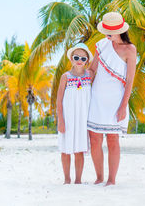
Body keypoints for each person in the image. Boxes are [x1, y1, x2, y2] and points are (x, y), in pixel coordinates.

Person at [87, 12, 137, 186]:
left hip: (116, 100)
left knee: (112, 139)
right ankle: (99, 177)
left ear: (120, 31)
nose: (107, 35)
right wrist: (79, 78)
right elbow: (92, 70)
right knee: (94, 138)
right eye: (106, 31)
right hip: (96, 97)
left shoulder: (130, 50)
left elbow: (130, 80)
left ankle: (111, 179)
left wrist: (123, 106)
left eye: (111, 32)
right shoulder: (101, 45)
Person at [57, 43, 93, 184]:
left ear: (87, 61)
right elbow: (59, 101)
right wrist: (61, 120)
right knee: (66, 150)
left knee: (80, 149)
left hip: (83, 120)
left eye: (83, 59)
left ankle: (78, 180)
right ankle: (67, 179)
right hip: (67, 119)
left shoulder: (90, 75)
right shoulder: (65, 77)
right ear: (71, 58)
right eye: (76, 57)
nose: (79, 60)